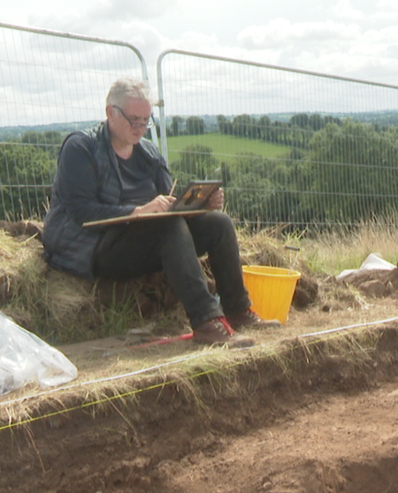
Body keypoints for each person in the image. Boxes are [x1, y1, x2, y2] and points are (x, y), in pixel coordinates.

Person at [42, 76, 280, 347]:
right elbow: (80, 211)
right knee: (167, 228)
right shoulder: (80, 148)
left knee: (218, 224)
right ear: (110, 112)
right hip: (93, 246)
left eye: (146, 120)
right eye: (134, 119)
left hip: (142, 239)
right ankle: (206, 322)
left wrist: (198, 206)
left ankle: (237, 311)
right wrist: (137, 211)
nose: (141, 127)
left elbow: (169, 208)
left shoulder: (148, 153)